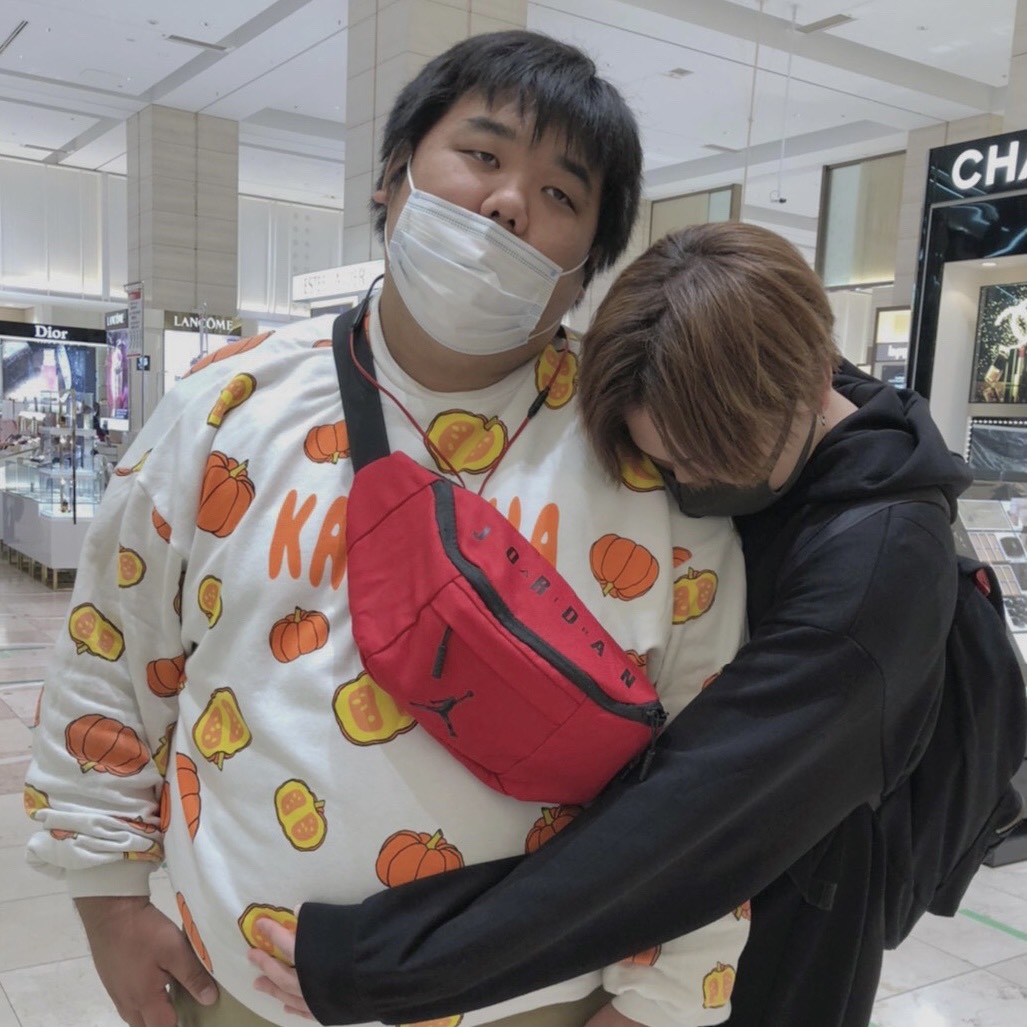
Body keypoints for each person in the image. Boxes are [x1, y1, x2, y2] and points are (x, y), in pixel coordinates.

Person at [23, 33, 750, 1027]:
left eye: (560, 193)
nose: (507, 202)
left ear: (587, 263)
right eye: (482, 154)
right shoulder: (228, 401)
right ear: (393, 174)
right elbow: (112, 645)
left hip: (533, 1006)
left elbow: (713, 761)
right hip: (239, 990)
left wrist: (662, 1003)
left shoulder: (639, 451)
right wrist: (107, 897)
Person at [247, 222, 974, 1027]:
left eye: (703, 461)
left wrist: (383, 964)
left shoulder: (873, 577)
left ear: (798, 389)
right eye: (661, 462)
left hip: (789, 931)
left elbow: (685, 821)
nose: (680, 485)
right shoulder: (795, 400)